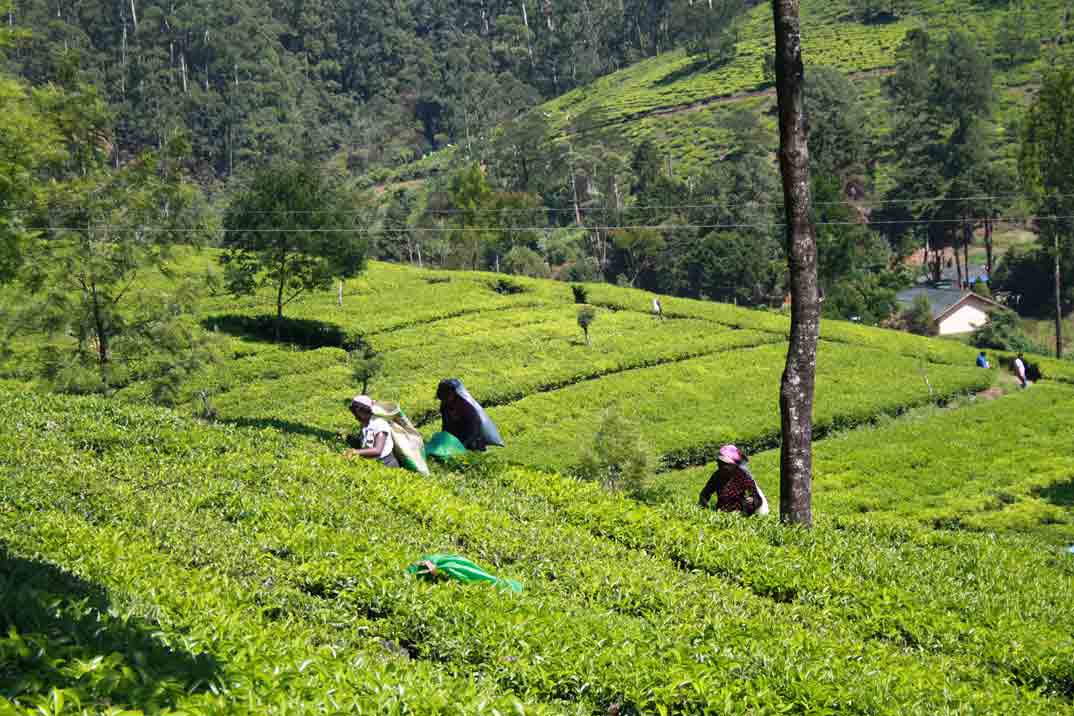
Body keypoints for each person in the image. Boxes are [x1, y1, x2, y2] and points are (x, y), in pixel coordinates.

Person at [699, 444, 769, 516]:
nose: (722, 466)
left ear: (734, 465)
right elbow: (705, 494)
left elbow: (758, 499)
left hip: (740, 515)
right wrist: (704, 508)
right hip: (721, 513)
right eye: (719, 463)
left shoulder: (743, 477)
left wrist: (752, 501)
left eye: (725, 464)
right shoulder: (717, 476)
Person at [436, 378, 503, 451]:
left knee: (472, 445)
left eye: (446, 395)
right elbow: (445, 424)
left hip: (472, 436)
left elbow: (474, 428)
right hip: (457, 434)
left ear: (453, 393)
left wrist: (463, 445)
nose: (444, 399)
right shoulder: (445, 404)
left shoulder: (466, 406)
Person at [347, 395, 400, 467]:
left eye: (356, 413)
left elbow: (377, 450)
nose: (355, 416)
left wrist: (355, 452)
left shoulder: (379, 423)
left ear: (362, 410)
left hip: (386, 463)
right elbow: (366, 444)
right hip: (373, 463)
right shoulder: (366, 423)